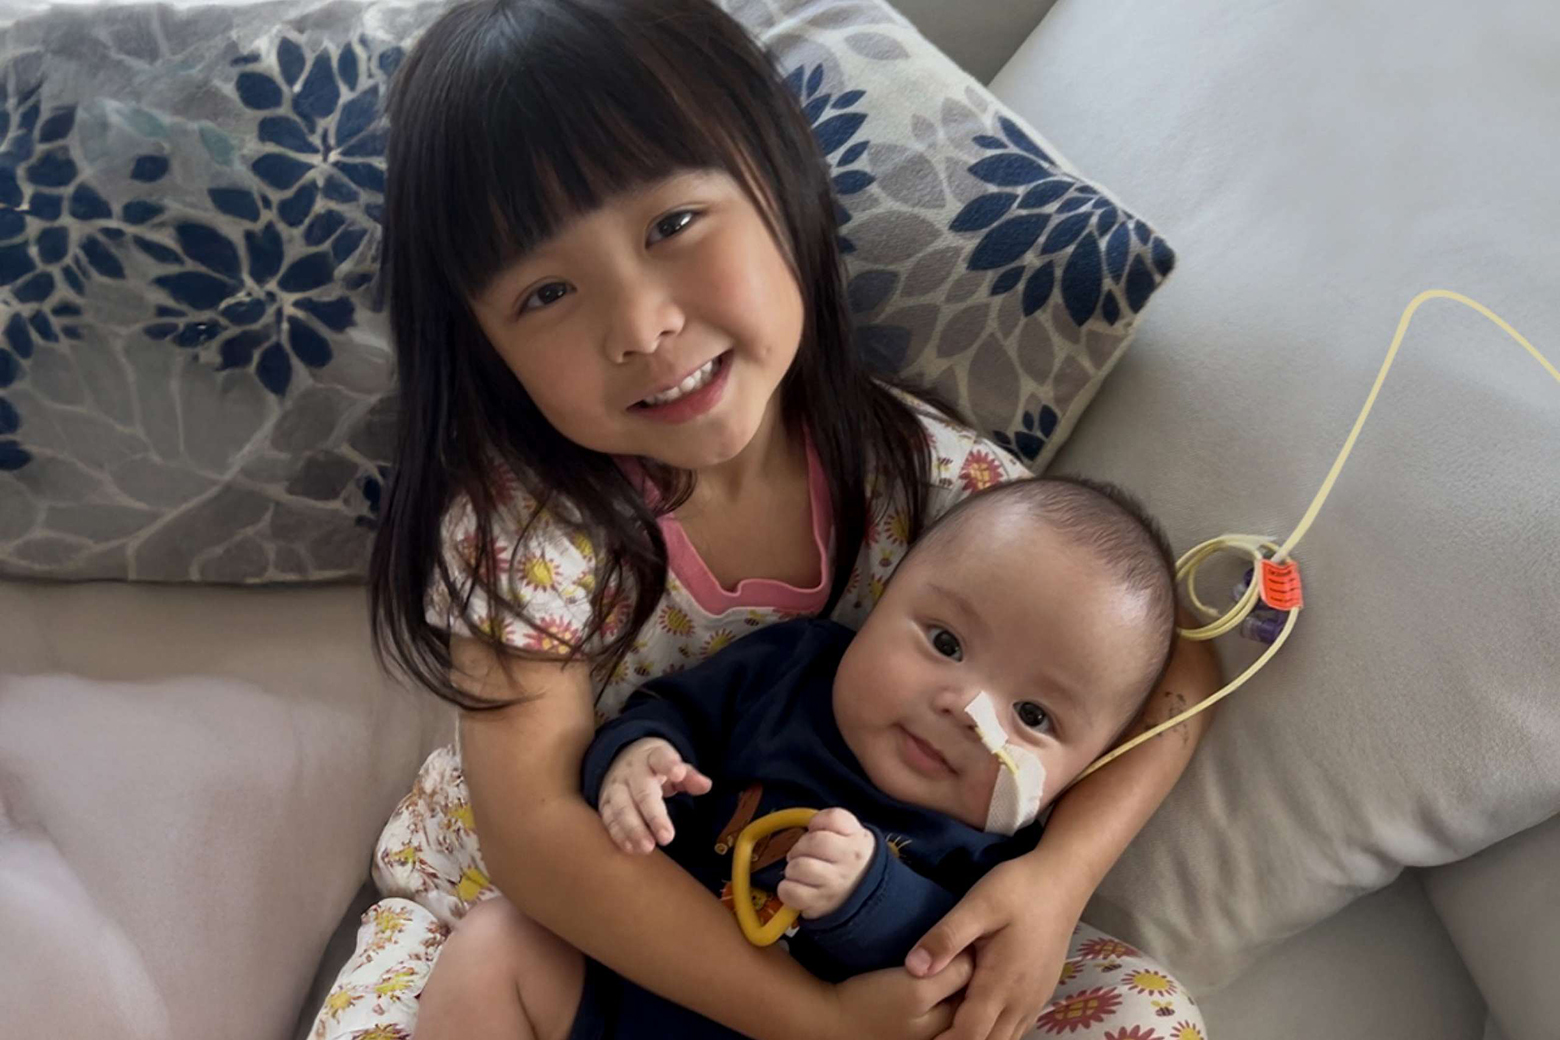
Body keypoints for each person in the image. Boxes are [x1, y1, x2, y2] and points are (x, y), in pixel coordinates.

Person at [312, 1, 1221, 1038]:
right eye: (548, 290)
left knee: (1142, 1015)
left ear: (781, 184)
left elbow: (1182, 663)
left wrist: (1059, 878)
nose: (643, 326)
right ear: (487, 350)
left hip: (855, 922)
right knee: (483, 961)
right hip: (578, 932)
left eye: (671, 226)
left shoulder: (918, 475)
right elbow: (539, 845)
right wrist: (819, 1025)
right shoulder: (526, 536)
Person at [441, 476, 1182, 1040]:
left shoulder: (996, 847)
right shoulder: (790, 669)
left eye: (1033, 717)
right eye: (945, 644)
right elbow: (672, 712)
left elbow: (947, 969)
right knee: (497, 944)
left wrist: (869, 898)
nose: (966, 710)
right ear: (883, 597)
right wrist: (638, 762)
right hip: (630, 986)